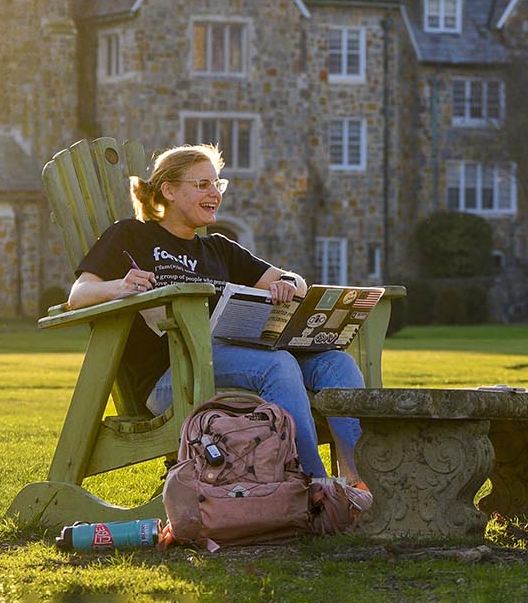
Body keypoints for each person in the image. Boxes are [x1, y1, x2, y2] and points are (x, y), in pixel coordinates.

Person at [67, 143, 370, 530]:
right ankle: (311, 491)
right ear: (168, 190)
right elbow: (78, 295)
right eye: (202, 184)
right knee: (278, 366)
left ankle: (361, 486)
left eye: (218, 184)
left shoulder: (219, 248)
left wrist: (287, 285)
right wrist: (119, 287)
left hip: (231, 361)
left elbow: (291, 280)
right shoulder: (130, 237)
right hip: (173, 378)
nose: (214, 193)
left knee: (335, 363)